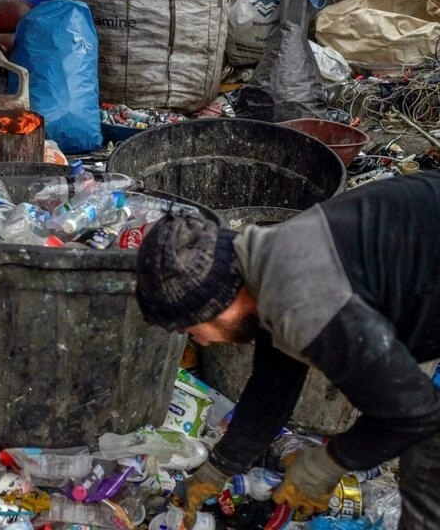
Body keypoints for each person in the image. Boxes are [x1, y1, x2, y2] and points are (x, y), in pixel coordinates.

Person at [135, 170, 440, 529]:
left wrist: (323, 465)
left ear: (215, 304)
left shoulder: (301, 302)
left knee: (427, 451)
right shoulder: (266, 266)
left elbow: (412, 415)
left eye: (191, 329)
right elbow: (271, 390)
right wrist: (217, 471)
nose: (200, 342)